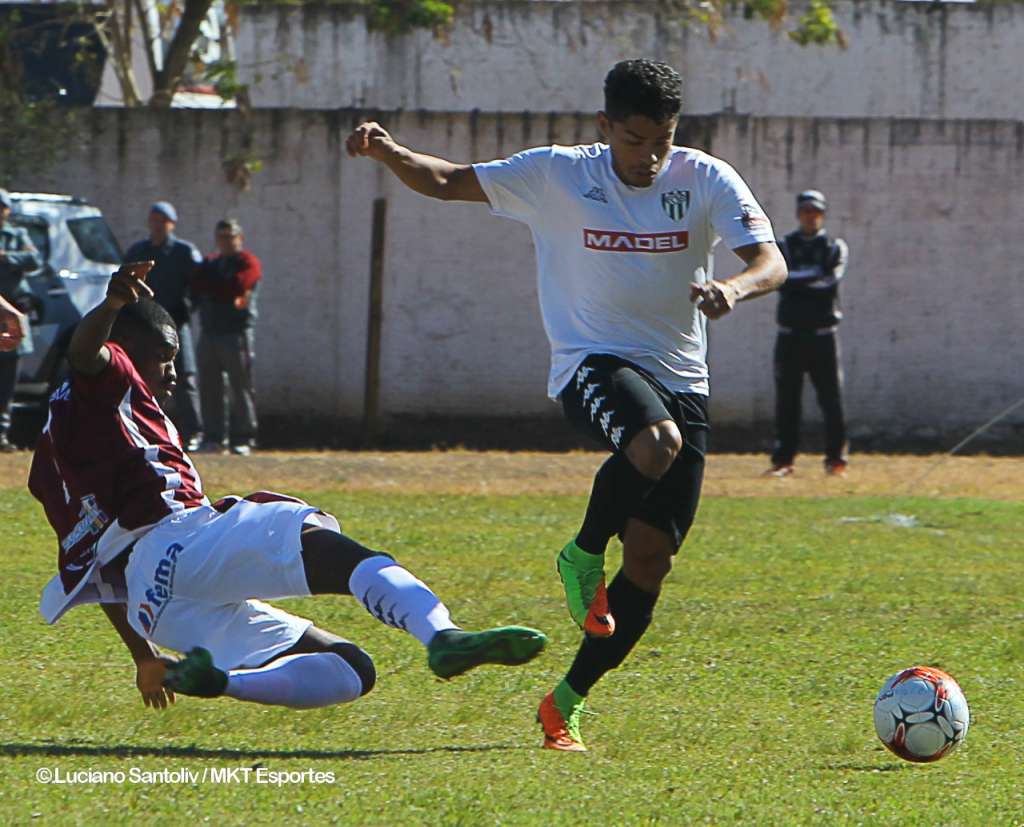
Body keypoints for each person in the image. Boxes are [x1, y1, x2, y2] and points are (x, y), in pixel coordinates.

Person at [345, 58, 787, 751]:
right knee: (654, 443)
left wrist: (734, 288)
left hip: (684, 381)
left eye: (664, 138)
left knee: (648, 562)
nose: (652, 155)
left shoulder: (704, 177)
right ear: (606, 126)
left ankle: (564, 703)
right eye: (637, 139)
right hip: (593, 362)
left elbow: (772, 260)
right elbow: (447, 180)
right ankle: (581, 555)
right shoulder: (559, 174)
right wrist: (389, 151)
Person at [29, 263, 546, 712]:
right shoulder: (109, 373)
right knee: (316, 535)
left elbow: (99, 566)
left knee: (350, 667)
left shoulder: (56, 450)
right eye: (163, 360)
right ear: (124, 349)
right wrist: (113, 303)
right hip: (180, 544)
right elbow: (86, 351)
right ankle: (441, 635)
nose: (171, 376)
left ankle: (219, 681)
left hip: (156, 607)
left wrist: (143, 655)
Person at [766, 190, 849, 478]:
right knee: (787, 400)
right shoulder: (784, 246)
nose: (810, 217)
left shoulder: (834, 247)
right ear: (798, 214)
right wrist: (807, 278)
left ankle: (836, 459)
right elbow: (780, 279)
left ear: (822, 215)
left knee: (831, 400)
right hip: (790, 335)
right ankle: (783, 460)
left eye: (815, 212)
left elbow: (830, 281)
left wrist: (799, 280)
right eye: (805, 211)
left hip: (824, 335)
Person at [124, 202, 204, 450]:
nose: (158, 225)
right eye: (154, 219)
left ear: (172, 223)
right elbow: (124, 281)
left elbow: (200, 286)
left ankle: (193, 433)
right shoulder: (139, 251)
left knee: (184, 379)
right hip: (145, 329)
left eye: (163, 220)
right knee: (142, 378)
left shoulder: (185, 252)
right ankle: (144, 430)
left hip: (176, 326)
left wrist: (186, 310)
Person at [193, 219, 261, 456]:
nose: (226, 241)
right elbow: (197, 283)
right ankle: (214, 437)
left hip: (236, 332)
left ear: (240, 238)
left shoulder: (247, 263)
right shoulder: (211, 263)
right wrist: (217, 288)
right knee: (210, 387)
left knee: (240, 386)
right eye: (222, 236)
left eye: (231, 236)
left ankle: (245, 437)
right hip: (210, 330)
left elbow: (239, 285)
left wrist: (216, 288)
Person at [0, 188, 42, 452]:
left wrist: (6, 257)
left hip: (14, 311)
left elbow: (34, 259)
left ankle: (2, 434)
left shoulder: (17, 236)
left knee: (8, 382)